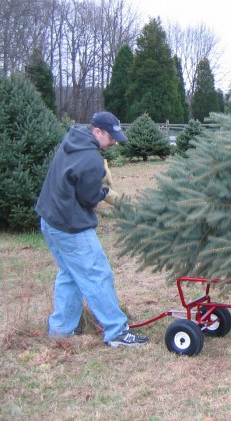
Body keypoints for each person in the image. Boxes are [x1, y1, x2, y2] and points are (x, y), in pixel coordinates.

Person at [35, 111, 148, 348]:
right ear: (97, 131)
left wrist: (97, 177)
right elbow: (89, 198)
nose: (114, 141)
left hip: (49, 221)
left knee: (70, 274)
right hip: (70, 227)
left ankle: (60, 330)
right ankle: (117, 331)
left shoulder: (72, 140)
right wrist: (106, 192)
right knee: (97, 274)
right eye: (111, 137)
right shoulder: (90, 158)